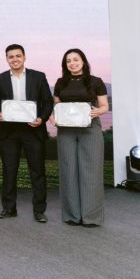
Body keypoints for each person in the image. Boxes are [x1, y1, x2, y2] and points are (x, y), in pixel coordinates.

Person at [0, 44, 53, 223]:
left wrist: (41, 119)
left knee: (37, 171)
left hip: (33, 130)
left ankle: (39, 211)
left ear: (24, 57)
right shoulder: (0, 78)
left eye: (18, 56)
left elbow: (48, 102)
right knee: (9, 171)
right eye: (11, 56)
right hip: (9, 132)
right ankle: (9, 208)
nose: (15, 59)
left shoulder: (38, 76)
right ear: (7, 59)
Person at [51, 48, 108, 227]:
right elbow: (57, 106)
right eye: (68, 61)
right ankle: (72, 215)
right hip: (66, 129)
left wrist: (98, 111)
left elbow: (104, 106)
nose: (72, 63)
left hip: (90, 127)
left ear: (83, 61)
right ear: (65, 65)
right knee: (68, 169)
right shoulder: (60, 82)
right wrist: (54, 117)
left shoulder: (95, 81)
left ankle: (91, 217)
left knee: (91, 170)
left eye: (76, 59)